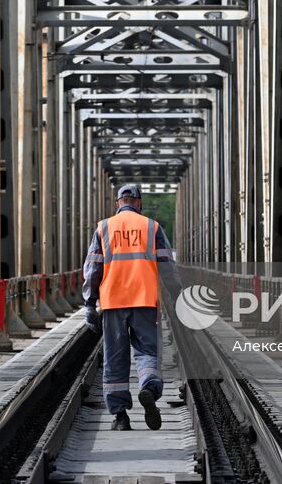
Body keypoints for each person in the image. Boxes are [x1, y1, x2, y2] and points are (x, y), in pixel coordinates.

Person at [82, 183, 179, 431]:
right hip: (144, 300)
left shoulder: (104, 227)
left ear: (118, 203)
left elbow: (93, 268)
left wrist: (90, 304)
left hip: (113, 303)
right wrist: (177, 294)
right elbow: (167, 264)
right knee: (147, 352)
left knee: (115, 360)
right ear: (139, 202)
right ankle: (148, 387)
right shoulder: (151, 227)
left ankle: (121, 417)